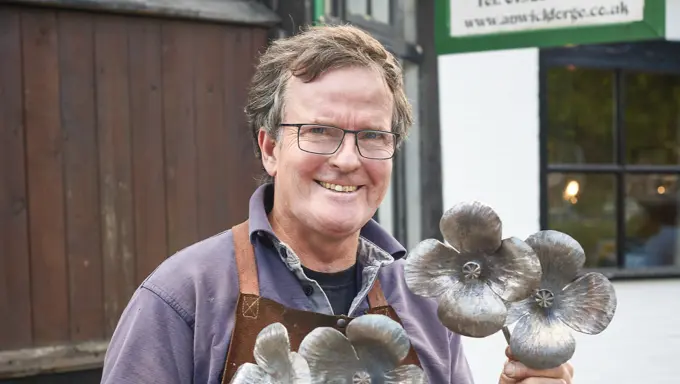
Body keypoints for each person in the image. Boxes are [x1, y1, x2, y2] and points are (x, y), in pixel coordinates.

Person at [101, 24, 574, 384]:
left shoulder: (429, 305)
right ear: (269, 149)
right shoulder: (182, 300)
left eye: (371, 135)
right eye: (319, 131)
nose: (347, 160)